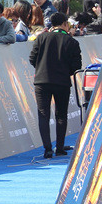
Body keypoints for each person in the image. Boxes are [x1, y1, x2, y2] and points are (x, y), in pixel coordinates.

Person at [29, 12, 82, 158]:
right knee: (61, 114)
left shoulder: (41, 38)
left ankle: (47, 149)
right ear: (65, 24)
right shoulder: (72, 42)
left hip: (41, 81)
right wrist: (65, 72)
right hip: (62, 82)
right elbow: (77, 65)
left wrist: (41, 68)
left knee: (43, 114)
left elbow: (32, 58)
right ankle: (59, 147)